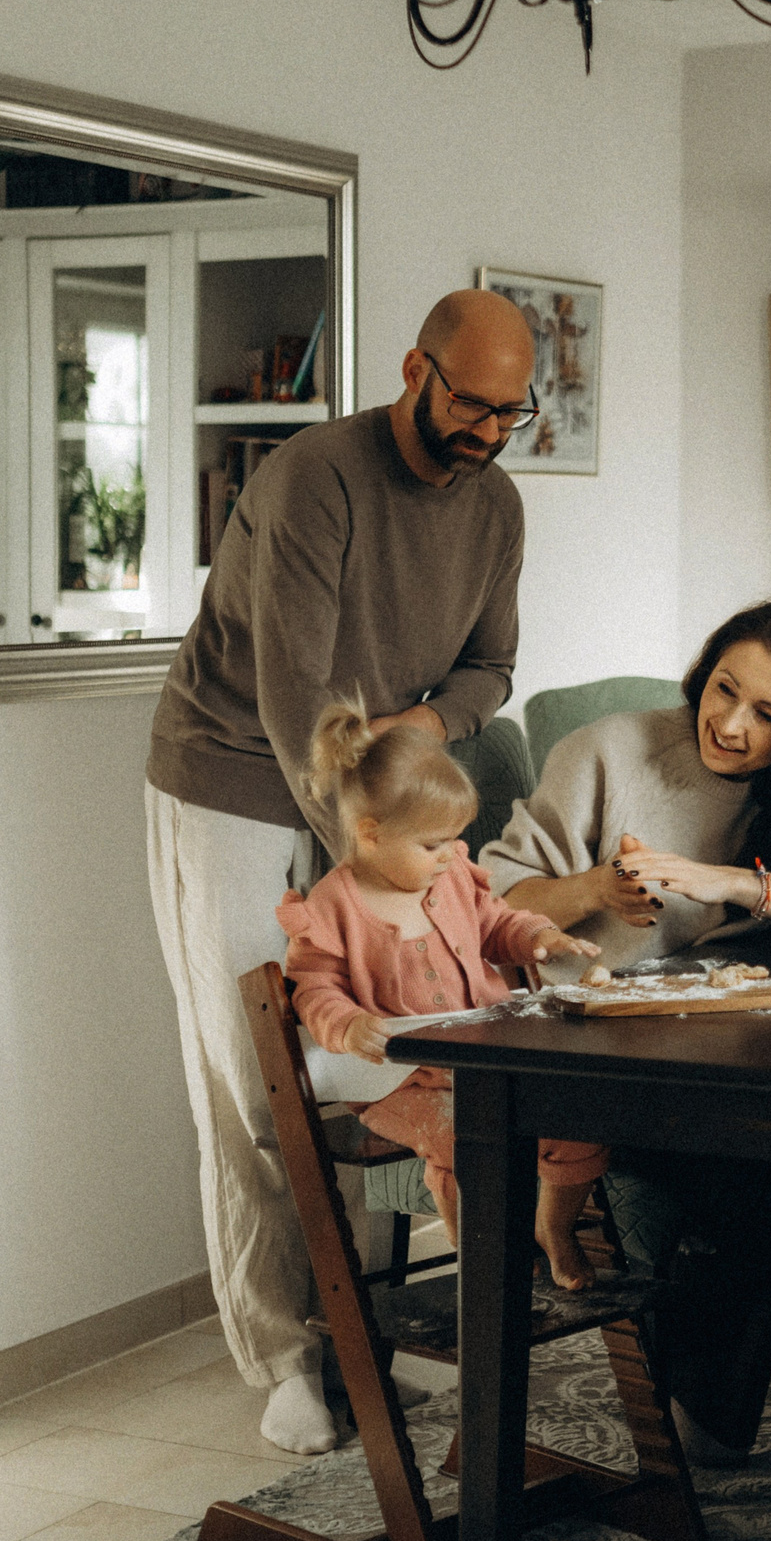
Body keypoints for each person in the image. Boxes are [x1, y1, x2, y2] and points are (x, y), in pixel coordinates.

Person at [143, 289, 539, 1454]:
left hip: (371, 801)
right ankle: (285, 1353)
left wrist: (420, 725)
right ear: (416, 366)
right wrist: (373, 857)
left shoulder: (497, 504)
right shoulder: (316, 477)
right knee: (255, 1070)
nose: (485, 433)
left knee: (372, 1059)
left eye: (510, 414)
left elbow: (494, 667)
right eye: (470, 403)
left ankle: (359, 1334)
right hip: (232, 781)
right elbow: (293, 701)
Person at [482, 600, 771, 1462]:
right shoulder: (607, 752)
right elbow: (490, 902)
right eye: (725, 690)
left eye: (768, 716)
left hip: (748, 1037)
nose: (730, 726)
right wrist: (591, 890)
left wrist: (734, 883)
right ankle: (712, 1392)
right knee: (764, 1152)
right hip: (606, 1049)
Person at [278, 697, 606, 1289]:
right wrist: (349, 1026)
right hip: (402, 1079)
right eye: (434, 844)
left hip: (488, 1057)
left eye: (455, 840)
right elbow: (314, 988)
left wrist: (540, 937)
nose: (451, 855)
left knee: (577, 1118)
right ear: (370, 835)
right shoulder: (334, 906)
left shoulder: (453, 875)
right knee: (469, 1137)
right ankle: (484, 1267)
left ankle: (554, 1227)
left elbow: (497, 923)